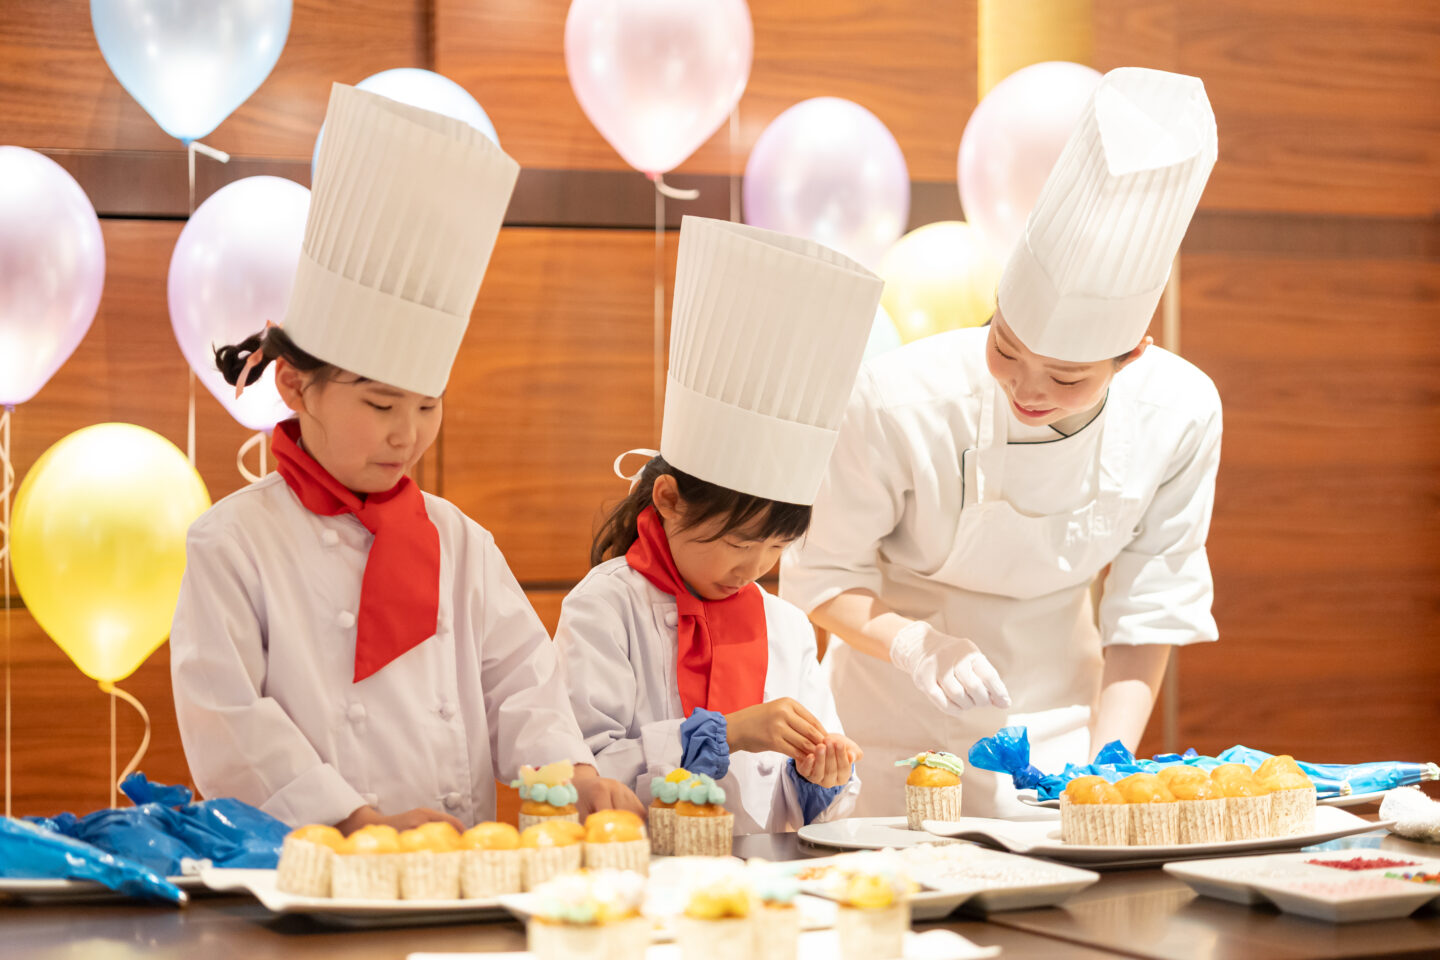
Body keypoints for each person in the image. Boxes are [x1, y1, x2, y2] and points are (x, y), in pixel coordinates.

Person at [170, 84, 641, 831]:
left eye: (428, 406)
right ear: (294, 386)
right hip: (311, 866)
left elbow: (524, 684)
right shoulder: (232, 543)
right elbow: (229, 724)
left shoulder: (460, 541)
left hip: (457, 865)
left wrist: (572, 774)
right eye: (381, 406)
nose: (408, 435)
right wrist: (358, 823)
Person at [782, 68, 1223, 818]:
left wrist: (1108, 764)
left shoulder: (1178, 413)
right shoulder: (897, 398)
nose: (1027, 389)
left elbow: (1146, 611)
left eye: (1067, 377)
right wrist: (919, 645)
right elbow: (821, 577)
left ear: (1131, 357)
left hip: (1058, 737)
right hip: (880, 742)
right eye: (1005, 348)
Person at [554, 217, 882, 832]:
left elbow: (810, 806)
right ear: (669, 499)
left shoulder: (785, 625)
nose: (753, 568)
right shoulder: (606, 607)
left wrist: (821, 775)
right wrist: (725, 732)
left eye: (777, 546)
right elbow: (582, 772)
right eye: (739, 542)